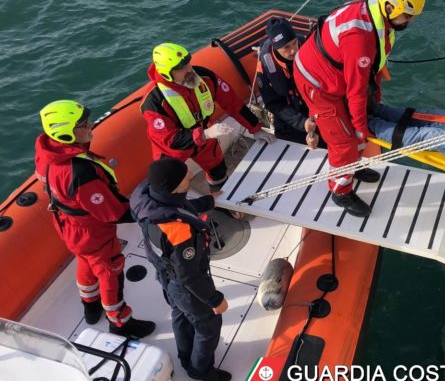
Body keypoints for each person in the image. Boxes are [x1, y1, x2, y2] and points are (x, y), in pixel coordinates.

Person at [293, 0, 426, 217]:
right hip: (318, 84)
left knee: (361, 126)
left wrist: (370, 104)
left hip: (335, 73)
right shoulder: (360, 38)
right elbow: (355, 89)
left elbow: (370, 71)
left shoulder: (375, 15)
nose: (411, 21)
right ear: (390, 7)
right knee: (345, 140)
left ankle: (355, 167)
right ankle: (340, 190)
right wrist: (358, 128)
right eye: (408, 15)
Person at [34, 100, 155, 338]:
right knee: (110, 272)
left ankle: (90, 305)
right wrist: (148, 210)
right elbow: (114, 212)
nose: (90, 125)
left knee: (85, 262)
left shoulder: (48, 154)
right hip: (92, 233)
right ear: (66, 133)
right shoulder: (80, 172)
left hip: (68, 226)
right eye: (83, 124)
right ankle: (120, 321)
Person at [130, 158, 230, 381]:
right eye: (185, 176)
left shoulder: (150, 200)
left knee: (180, 314)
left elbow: (176, 207)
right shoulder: (179, 232)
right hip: (184, 283)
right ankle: (200, 370)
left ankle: (185, 356)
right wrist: (214, 299)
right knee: (208, 326)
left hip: (165, 276)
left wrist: (206, 202)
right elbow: (189, 275)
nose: (190, 176)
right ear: (173, 186)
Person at [141, 42, 275, 193]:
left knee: (217, 169)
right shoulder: (154, 101)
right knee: (171, 183)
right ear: (167, 73)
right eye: (181, 68)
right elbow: (170, 140)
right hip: (174, 149)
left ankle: (220, 203)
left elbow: (232, 103)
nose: (189, 69)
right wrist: (205, 134)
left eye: (187, 63)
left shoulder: (205, 77)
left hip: (204, 137)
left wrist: (255, 128)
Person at [256, 17, 325, 149]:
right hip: (287, 121)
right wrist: (302, 123)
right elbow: (273, 104)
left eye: (294, 43)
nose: (293, 50)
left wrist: (315, 125)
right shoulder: (265, 66)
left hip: (315, 112)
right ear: (276, 48)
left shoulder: (310, 50)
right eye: (286, 47)